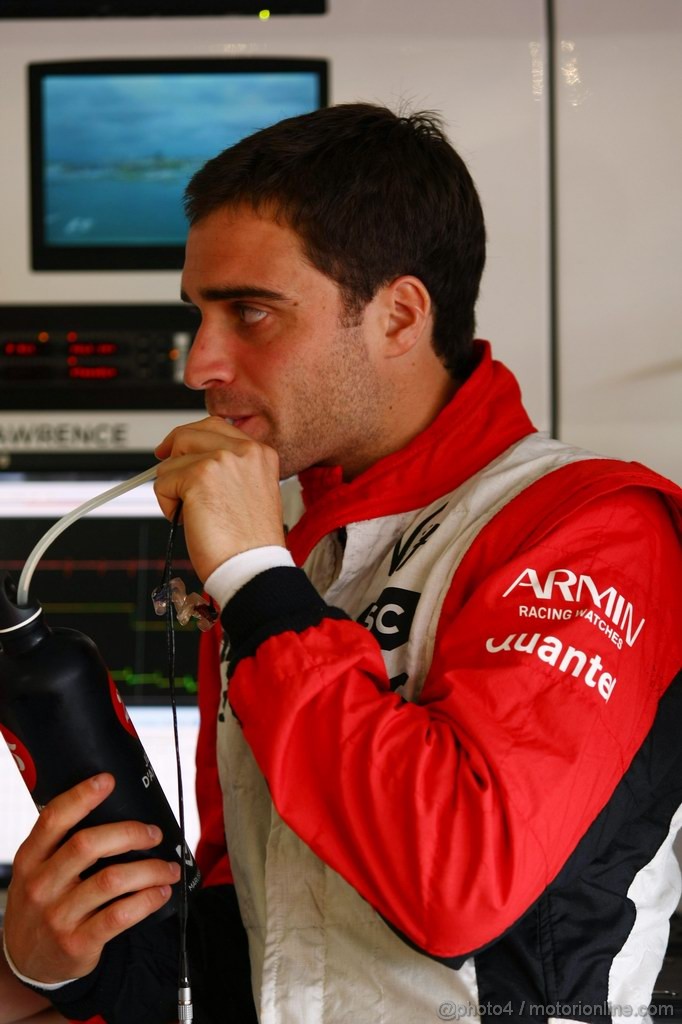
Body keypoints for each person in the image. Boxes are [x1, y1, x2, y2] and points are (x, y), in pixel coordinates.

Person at [2, 103, 682, 1024]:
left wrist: (253, 578)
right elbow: (254, 927)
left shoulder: (593, 527)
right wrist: (43, 969)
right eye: (198, 314)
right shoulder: (293, 564)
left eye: (250, 312)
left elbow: (456, 883)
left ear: (399, 316)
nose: (202, 361)